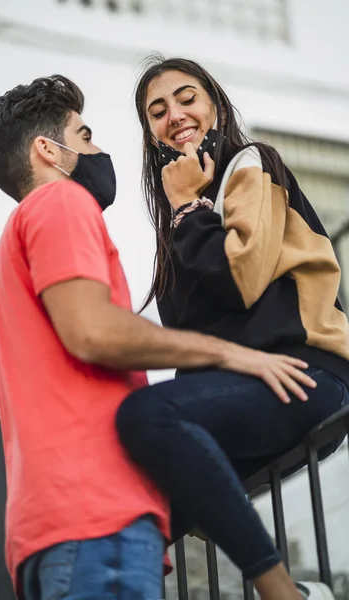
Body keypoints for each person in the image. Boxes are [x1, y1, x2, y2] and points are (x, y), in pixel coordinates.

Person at [0, 74, 315, 600]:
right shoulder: (60, 203)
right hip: (97, 524)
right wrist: (233, 355)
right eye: (84, 137)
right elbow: (94, 331)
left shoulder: (3, 274)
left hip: (45, 534)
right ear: (48, 150)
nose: (97, 149)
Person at [116, 56, 349, 600]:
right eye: (157, 111)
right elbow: (197, 339)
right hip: (252, 386)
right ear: (151, 134)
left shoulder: (250, 164)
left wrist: (187, 207)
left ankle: (283, 591)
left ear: (214, 104)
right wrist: (183, 213)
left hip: (307, 372)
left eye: (186, 97)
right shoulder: (179, 218)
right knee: (133, 514)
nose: (174, 114)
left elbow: (237, 279)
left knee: (147, 413)